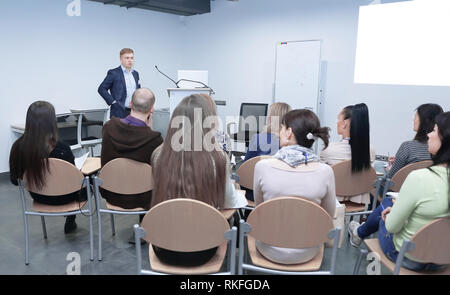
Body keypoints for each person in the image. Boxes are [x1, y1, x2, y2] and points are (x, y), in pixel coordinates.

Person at [348, 112, 450, 271]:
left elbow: (392, 227)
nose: (429, 134)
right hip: (444, 259)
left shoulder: (419, 178)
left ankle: (359, 233)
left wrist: (390, 214)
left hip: (410, 257)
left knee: (387, 206)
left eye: (435, 131)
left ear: (445, 139)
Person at [150, 94, 244, 266]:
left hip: (163, 246)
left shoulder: (158, 156)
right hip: (204, 249)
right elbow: (228, 203)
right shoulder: (217, 159)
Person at [253, 109, 336, 264]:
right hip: (308, 250)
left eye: (282, 128)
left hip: (269, 247)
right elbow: (327, 216)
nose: (278, 133)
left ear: (289, 132)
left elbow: (260, 208)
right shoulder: (326, 172)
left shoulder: (262, 166)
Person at [9, 101, 87, 234]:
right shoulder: (62, 148)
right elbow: (73, 180)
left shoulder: (18, 147)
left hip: (39, 197)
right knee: (86, 180)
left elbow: (14, 181)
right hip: (66, 198)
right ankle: (71, 217)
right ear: (52, 122)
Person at [100, 87, 163, 214]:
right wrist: (149, 130)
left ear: (130, 104)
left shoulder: (108, 127)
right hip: (143, 197)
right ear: (152, 109)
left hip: (111, 193)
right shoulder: (155, 139)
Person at [320, 103, 375, 204]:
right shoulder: (370, 150)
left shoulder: (329, 150)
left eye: (338, 119)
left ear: (344, 123)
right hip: (358, 200)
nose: (337, 123)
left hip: (334, 202)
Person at [385, 103, 444, 179]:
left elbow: (390, 179)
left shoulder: (408, 147)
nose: (413, 119)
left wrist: (389, 170)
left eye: (416, 116)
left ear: (424, 121)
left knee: (379, 166)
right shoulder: (444, 150)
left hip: (404, 189)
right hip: (433, 188)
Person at [98, 48, 141, 118]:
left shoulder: (136, 74)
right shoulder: (114, 73)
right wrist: (113, 102)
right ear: (121, 59)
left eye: (132, 58)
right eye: (127, 58)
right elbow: (101, 89)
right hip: (119, 111)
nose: (130, 60)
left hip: (134, 112)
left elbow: (138, 91)